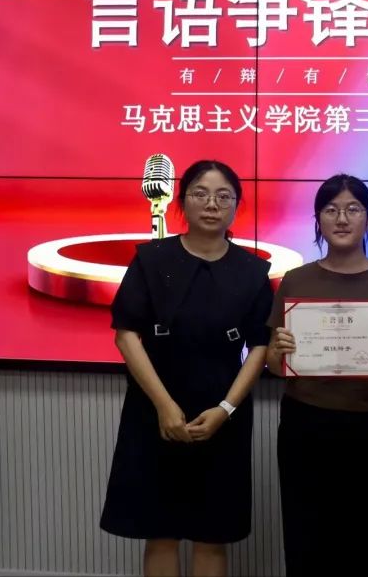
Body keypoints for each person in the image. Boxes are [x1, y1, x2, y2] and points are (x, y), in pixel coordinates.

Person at [100, 160, 273, 577]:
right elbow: (126, 335)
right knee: (160, 533)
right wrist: (164, 406)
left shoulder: (253, 271)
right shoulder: (151, 258)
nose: (212, 204)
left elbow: (260, 346)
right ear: (181, 201)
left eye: (223, 196)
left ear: (236, 206)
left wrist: (225, 410)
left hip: (223, 414)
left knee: (212, 536)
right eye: (200, 193)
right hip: (154, 411)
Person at [266, 174, 368, 577]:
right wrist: (277, 353)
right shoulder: (296, 281)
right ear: (317, 220)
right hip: (304, 422)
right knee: (305, 537)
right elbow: (273, 364)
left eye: (353, 209)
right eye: (331, 209)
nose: (341, 218)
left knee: (366, 539)